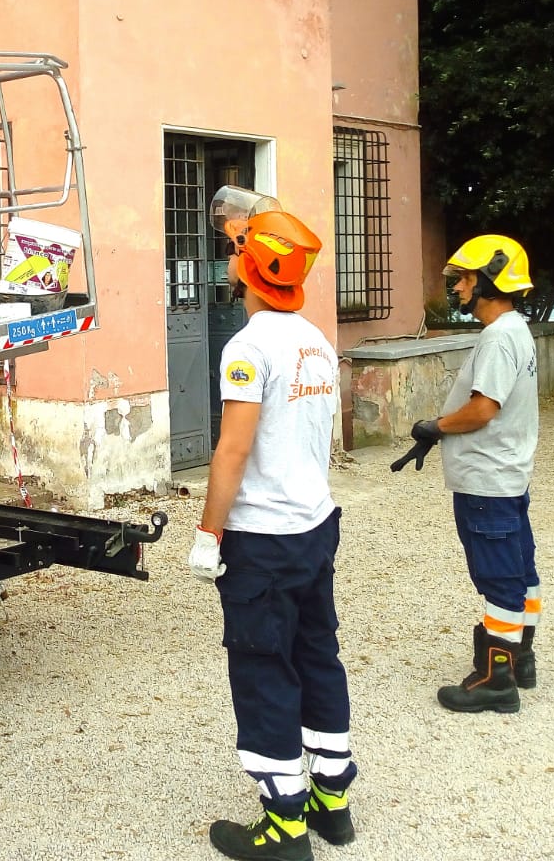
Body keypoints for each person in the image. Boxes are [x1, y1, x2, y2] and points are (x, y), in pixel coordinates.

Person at [189, 196, 357, 861]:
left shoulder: (248, 346)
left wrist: (208, 534)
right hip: (315, 526)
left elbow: (232, 449)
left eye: (236, 248)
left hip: (263, 539)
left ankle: (284, 823)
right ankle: (331, 799)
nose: (229, 253)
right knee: (318, 653)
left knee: (263, 666)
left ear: (247, 270)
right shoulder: (316, 340)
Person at [406, 234, 540, 713]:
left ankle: (494, 680)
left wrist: (435, 426)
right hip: (506, 475)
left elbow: (483, 409)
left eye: (463, 278)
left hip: (487, 481)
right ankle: (520, 657)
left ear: (491, 278)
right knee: (520, 569)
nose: (457, 287)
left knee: (500, 577)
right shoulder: (515, 330)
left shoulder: (499, 338)